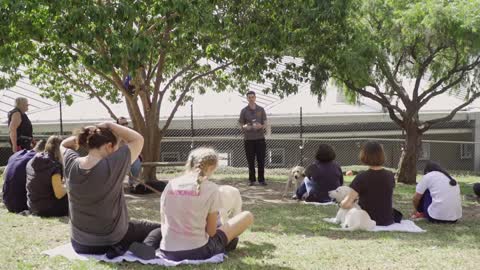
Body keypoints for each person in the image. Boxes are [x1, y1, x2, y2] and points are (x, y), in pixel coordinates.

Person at [61, 122, 161, 259]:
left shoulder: (71, 163)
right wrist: (110, 125)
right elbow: (138, 139)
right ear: (109, 146)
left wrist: (83, 135)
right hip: (112, 239)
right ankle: (136, 248)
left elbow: (63, 145)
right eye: (116, 146)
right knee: (162, 228)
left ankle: (124, 246)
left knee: (133, 227)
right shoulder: (113, 164)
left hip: (79, 243)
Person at [156, 147, 254, 261]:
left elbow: (163, 220)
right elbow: (211, 233)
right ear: (211, 167)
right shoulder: (212, 189)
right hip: (198, 251)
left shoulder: (170, 184)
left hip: (167, 250)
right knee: (247, 216)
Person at [340, 141, 398, 226]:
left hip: (366, 219)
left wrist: (340, 203)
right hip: (387, 220)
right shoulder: (390, 175)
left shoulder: (362, 177)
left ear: (364, 155)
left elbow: (346, 203)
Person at [26, 136, 68, 217]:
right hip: (48, 209)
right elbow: (59, 194)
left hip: (32, 207)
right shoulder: (54, 166)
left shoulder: (32, 160)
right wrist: (69, 186)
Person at [2, 140, 45, 213]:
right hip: (21, 204)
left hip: (7, 201)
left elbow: (4, 175)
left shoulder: (16, 155)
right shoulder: (38, 159)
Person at [238, 91, 267, 186]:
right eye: (249, 97)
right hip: (248, 139)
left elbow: (265, 123)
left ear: (255, 98)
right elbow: (241, 124)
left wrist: (261, 126)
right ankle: (252, 180)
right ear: (247, 99)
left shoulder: (261, 109)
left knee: (261, 160)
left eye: (252, 97)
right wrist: (245, 127)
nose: (251, 98)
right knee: (250, 161)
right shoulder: (244, 111)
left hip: (260, 139)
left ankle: (261, 180)